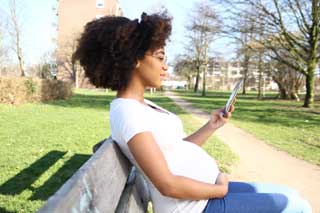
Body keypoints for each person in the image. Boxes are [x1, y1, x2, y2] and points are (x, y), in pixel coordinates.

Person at [73, 11, 312, 213]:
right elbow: (168, 185)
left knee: (292, 195)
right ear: (134, 59)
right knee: (294, 206)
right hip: (194, 207)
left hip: (205, 193)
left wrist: (211, 126)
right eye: (159, 57)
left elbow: (175, 149)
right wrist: (220, 189)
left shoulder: (140, 107)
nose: (165, 66)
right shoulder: (128, 113)